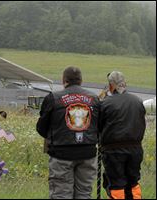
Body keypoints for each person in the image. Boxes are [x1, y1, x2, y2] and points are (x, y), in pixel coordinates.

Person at [36, 66, 100, 199]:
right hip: (88, 152)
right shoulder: (94, 99)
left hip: (61, 154)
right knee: (84, 193)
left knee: (61, 194)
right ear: (81, 81)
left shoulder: (53, 98)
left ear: (64, 80)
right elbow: (100, 125)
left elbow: (41, 127)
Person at [99, 71, 146, 199]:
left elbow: (98, 126)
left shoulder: (106, 103)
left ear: (110, 86)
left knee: (116, 184)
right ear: (124, 84)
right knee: (133, 182)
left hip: (113, 151)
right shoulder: (137, 101)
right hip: (136, 149)